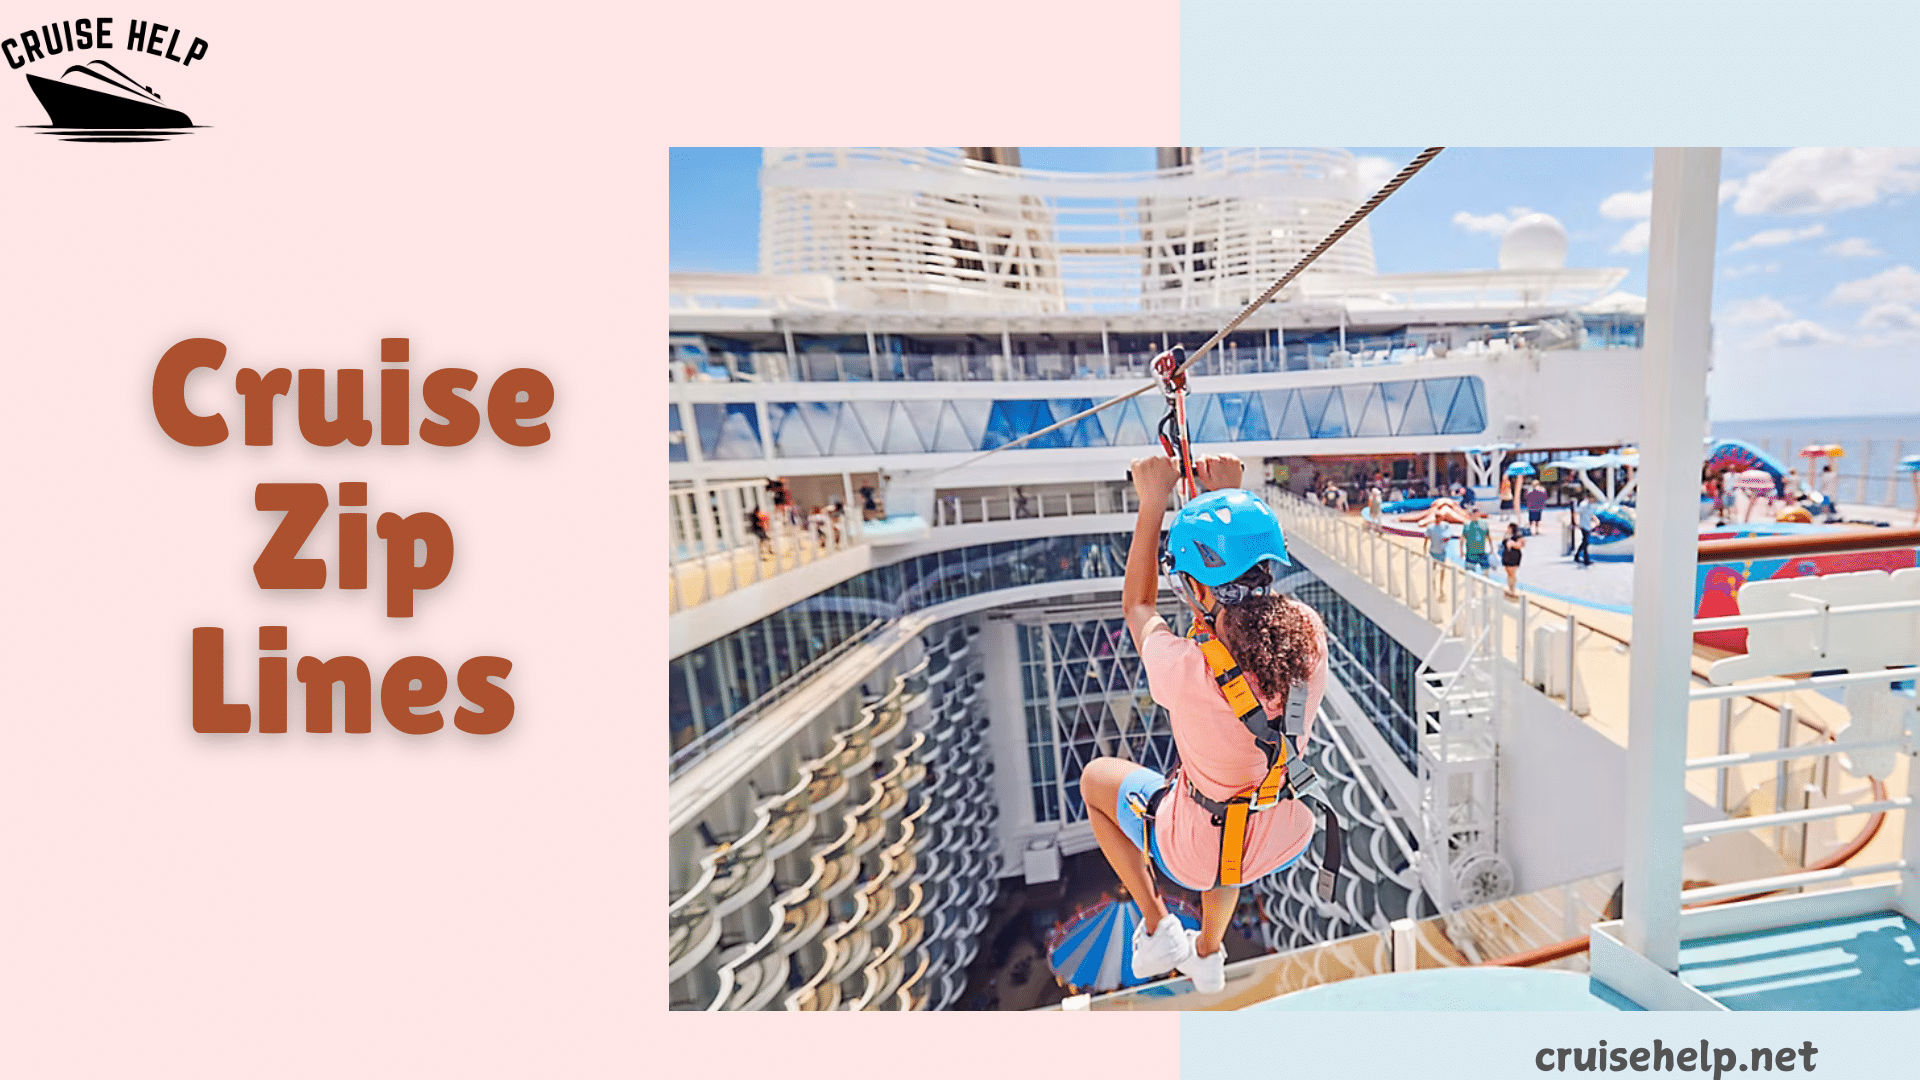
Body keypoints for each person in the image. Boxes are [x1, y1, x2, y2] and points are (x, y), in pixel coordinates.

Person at [1080, 451, 1330, 995]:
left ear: (1197, 589)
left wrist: (1152, 503)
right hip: (1277, 826)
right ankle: (1208, 953)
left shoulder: (1183, 667)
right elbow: (1239, 609)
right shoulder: (1307, 634)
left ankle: (1156, 928)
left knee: (1096, 780)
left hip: (1195, 844)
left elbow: (1139, 606)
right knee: (1228, 843)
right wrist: (1227, 503)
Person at [1424, 514, 1453, 600]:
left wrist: (1447, 539)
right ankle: (1433, 587)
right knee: (1433, 570)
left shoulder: (1445, 526)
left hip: (1441, 552)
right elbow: (1426, 538)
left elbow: (1450, 533)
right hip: (1433, 552)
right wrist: (1424, 549)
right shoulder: (1430, 527)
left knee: (1442, 570)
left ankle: (1441, 587)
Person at [1500, 522, 1525, 600]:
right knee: (1508, 572)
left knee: (1512, 572)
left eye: (1509, 528)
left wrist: (1512, 544)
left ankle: (1512, 589)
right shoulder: (1507, 535)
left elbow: (1521, 545)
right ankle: (1510, 588)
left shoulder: (1517, 535)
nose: (1508, 529)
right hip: (1507, 555)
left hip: (1513, 556)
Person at [1462, 511, 1492, 576]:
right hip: (1471, 553)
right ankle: (1471, 586)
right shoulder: (1467, 524)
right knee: (1470, 574)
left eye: (1476, 514)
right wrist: (1461, 551)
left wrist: (1492, 548)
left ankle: (1485, 585)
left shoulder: (1484, 523)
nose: (1475, 516)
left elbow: (1489, 536)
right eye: (1473, 515)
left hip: (1482, 552)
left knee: (1486, 572)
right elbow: (1462, 538)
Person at [1574, 495, 1597, 566]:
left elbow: (1591, 514)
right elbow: (1576, 512)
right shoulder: (1583, 504)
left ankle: (1577, 556)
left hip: (1588, 526)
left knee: (1584, 542)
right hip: (1583, 525)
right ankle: (1586, 560)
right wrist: (1576, 523)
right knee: (1586, 542)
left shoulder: (1592, 505)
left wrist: (1596, 520)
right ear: (1589, 497)